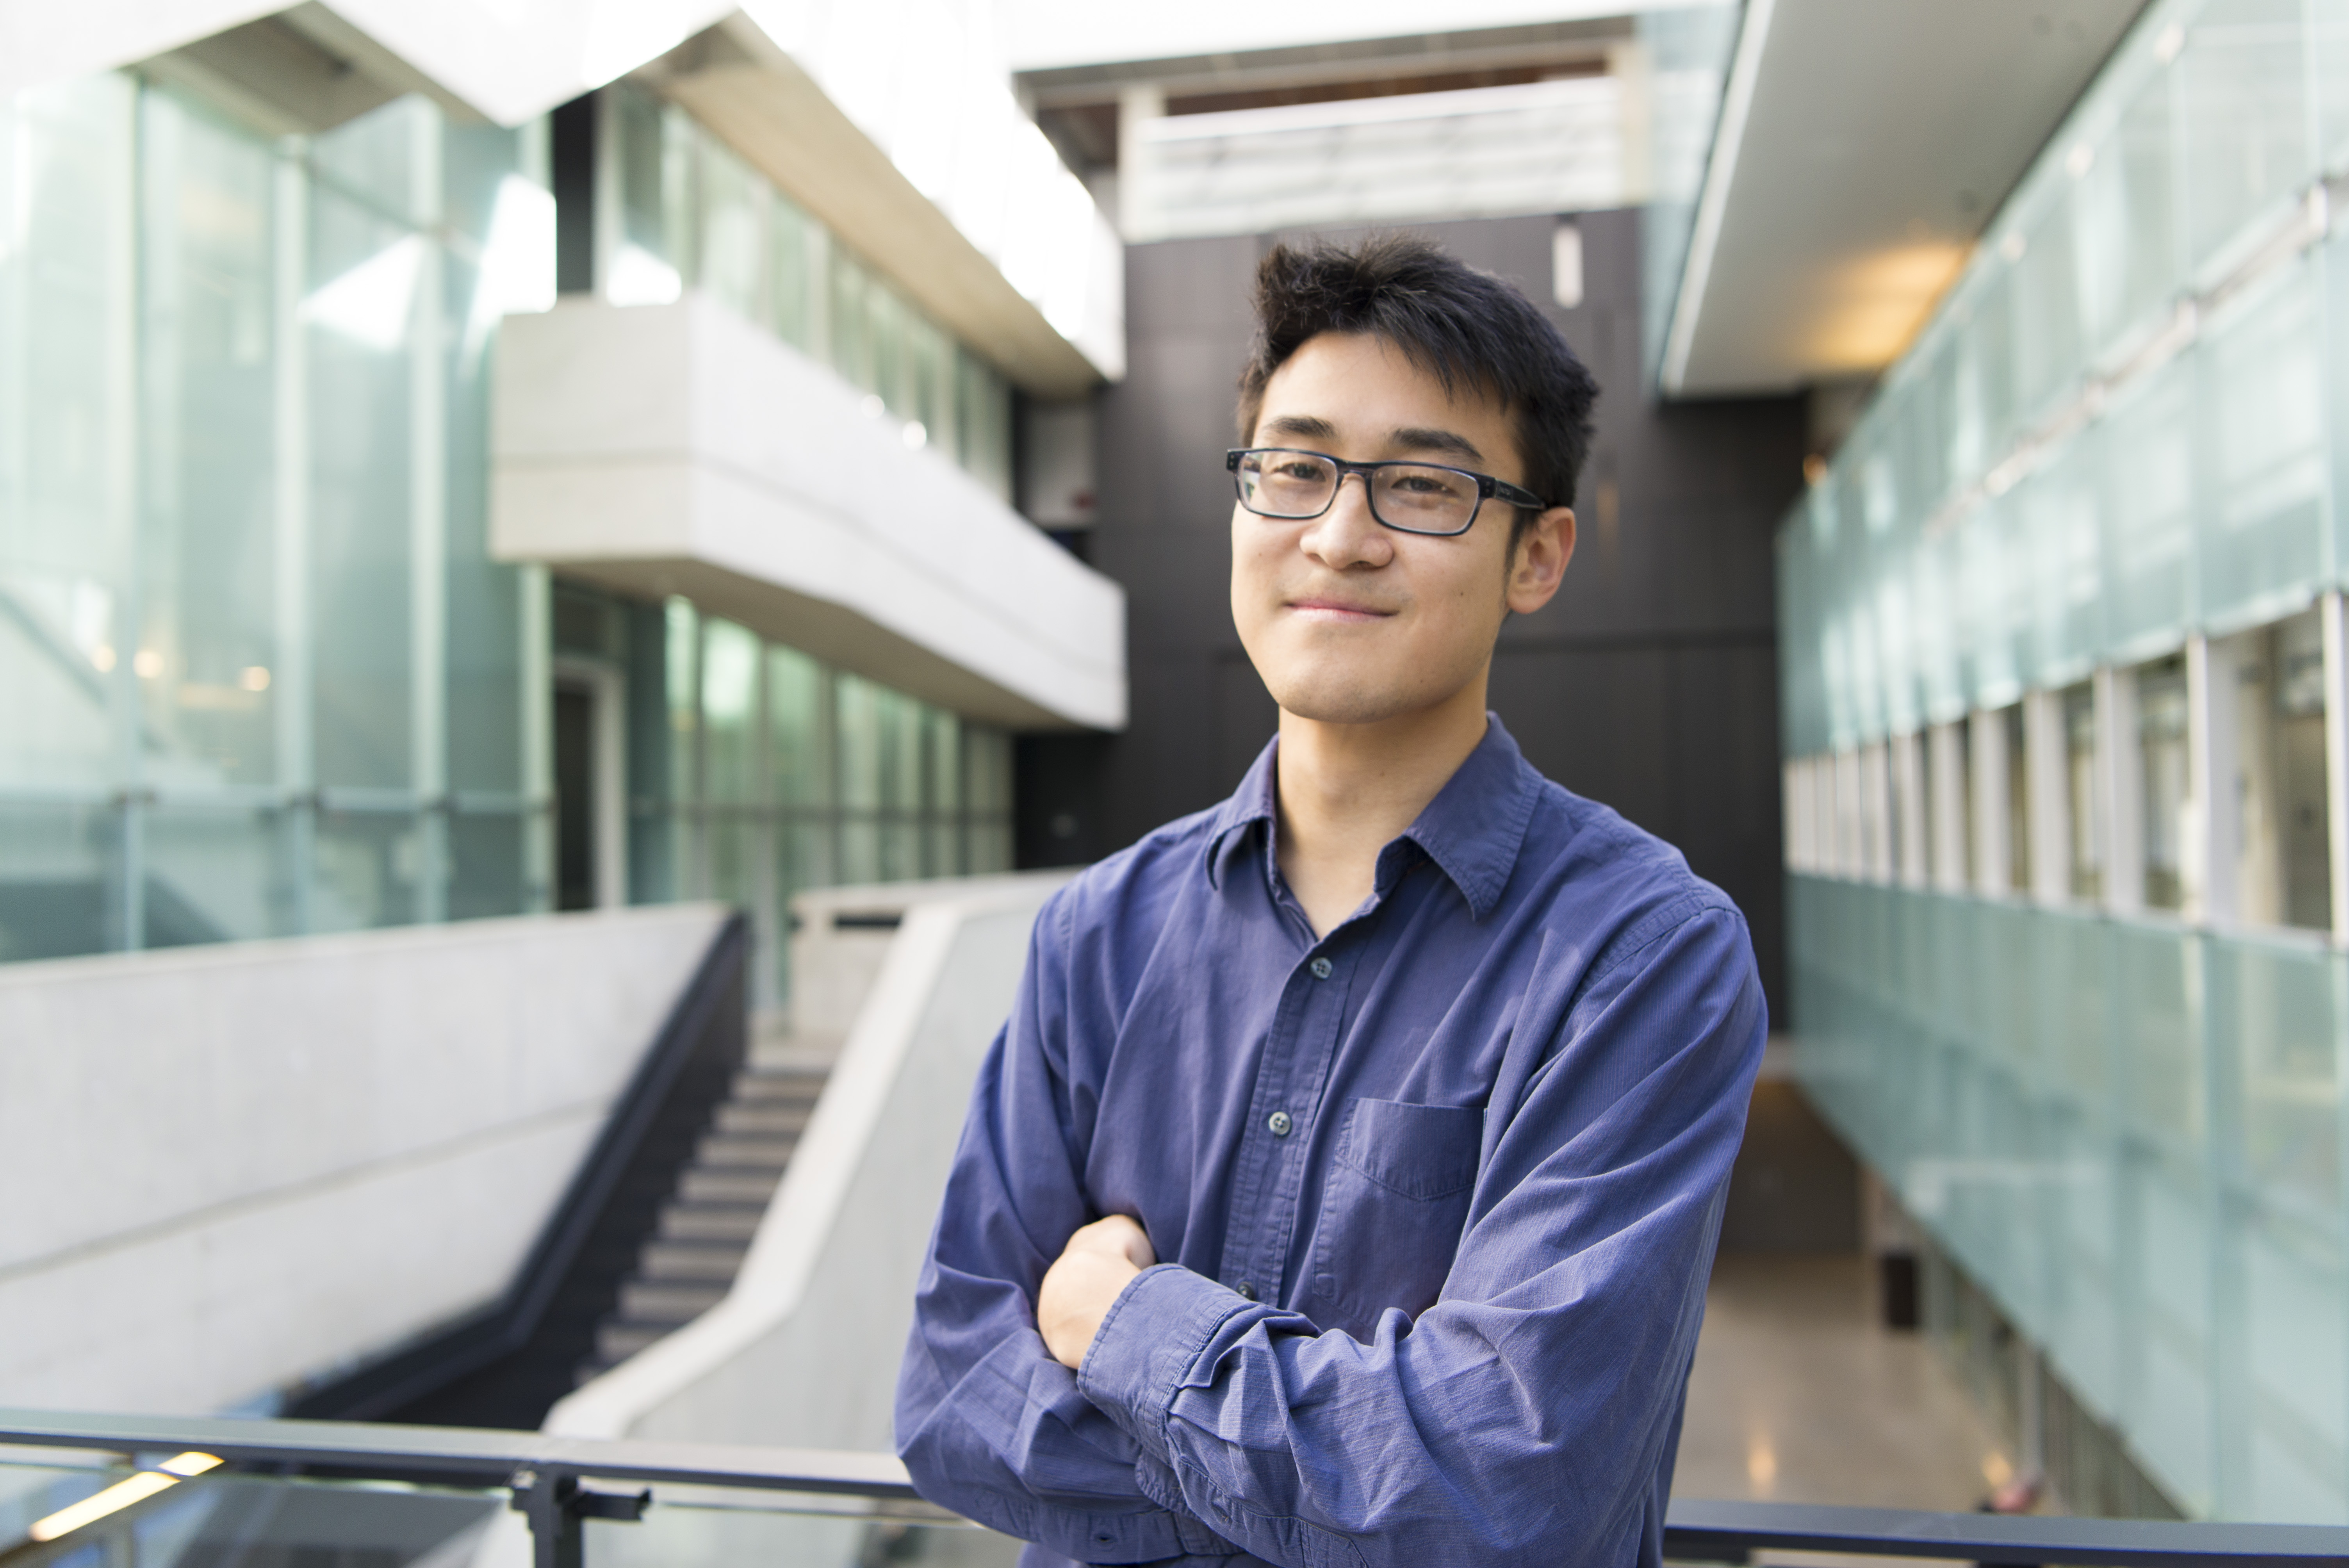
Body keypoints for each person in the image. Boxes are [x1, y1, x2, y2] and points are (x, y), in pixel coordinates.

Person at [894, 233, 1767, 1568]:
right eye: (1294, 469)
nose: (1340, 536)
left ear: (1538, 556)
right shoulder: (1100, 935)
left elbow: (1505, 1496)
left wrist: (1126, 1331)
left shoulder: (1645, 958)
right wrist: (1345, 1482)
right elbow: (957, 1395)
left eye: (1421, 485)